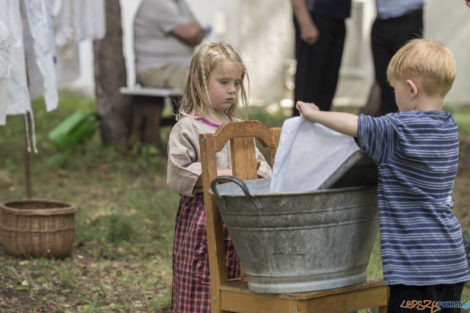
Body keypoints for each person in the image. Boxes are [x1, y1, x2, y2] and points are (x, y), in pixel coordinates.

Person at [296, 39, 469, 312]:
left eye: (394, 88)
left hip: (414, 269)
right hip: (451, 263)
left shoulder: (395, 131)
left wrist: (315, 115)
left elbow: (356, 124)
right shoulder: (448, 127)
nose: (394, 95)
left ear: (411, 88)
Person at [166, 42, 272, 313]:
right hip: (202, 218)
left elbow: (261, 167)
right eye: (223, 82)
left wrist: (253, 173)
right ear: (201, 82)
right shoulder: (187, 127)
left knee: (237, 275)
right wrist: (220, 175)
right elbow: (178, 172)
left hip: (238, 217)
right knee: (201, 276)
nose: (232, 90)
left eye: (236, 83)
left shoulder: (238, 127)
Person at [290, 0, 352, 115]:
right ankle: (300, 130)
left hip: (338, 18)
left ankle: (320, 130)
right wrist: (304, 21)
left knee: (327, 88)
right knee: (307, 89)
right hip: (314, 17)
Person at [133, 0, 207, 90]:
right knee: (201, 83)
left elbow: (198, 35)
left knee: (214, 75)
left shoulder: (181, 3)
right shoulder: (156, 3)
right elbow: (192, 33)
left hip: (178, 67)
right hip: (156, 69)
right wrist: (194, 30)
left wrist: (195, 31)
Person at [371, 0, 424, 115]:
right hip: (381, 20)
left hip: (408, 18)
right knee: (384, 79)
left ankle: (412, 124)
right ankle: (389, 124)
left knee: (410, 78)